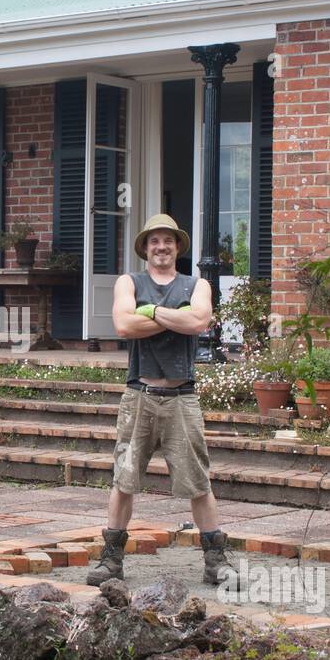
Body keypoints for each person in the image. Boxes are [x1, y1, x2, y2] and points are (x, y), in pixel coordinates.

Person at [87, 213, 239, 590]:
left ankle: (216, 561)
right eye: (154, 240)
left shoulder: (196, 283)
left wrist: (150, 311)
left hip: (182, 399)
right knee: (123, 479)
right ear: (145, 247)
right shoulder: (129, 281)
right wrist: (176, 316)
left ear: (177, 246)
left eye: (167, 240)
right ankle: (111, 560)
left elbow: (200, 323)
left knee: (199, 481)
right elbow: (123, 326)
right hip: (139, 395)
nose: (161, 246)